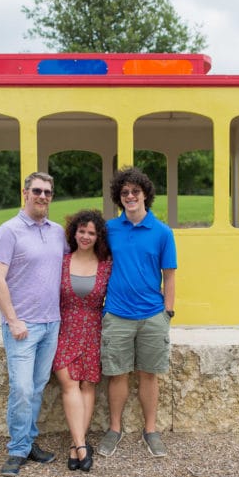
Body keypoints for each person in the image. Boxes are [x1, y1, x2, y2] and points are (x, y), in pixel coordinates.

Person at [0, 171, 69, 477]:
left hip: (52, 323)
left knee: (35, 388)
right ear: (25, 193)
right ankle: (17, 450)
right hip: (22, 325)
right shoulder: (9, 231)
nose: (43, 196)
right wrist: (12, 320)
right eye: (37, 190)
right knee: (21, 388)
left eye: (48, 192)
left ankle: (28, 442)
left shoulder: (57, 232)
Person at [97, 166, 177, 459]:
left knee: (148, 375)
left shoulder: (162, 232)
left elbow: (169, 275)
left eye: (135, 191)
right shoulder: (110, 229)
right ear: (120, 198)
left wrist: (167, 312)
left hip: (152, 316)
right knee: (116, 375)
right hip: (117, 314)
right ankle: (115, 429)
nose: (130, 196)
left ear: (145, 195)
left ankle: (151, 430)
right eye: (124, 192)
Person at [53, 209, 112, 472]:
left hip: (93, 330)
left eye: (91, 232)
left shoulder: (106, 264)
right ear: (73, 232)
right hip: (65, 329)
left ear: (98, 236)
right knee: (69, 384)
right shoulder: (61, 262)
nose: (86, 236)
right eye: (81, 231)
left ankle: (76, 445)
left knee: (88, 386)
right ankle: (81, 444)